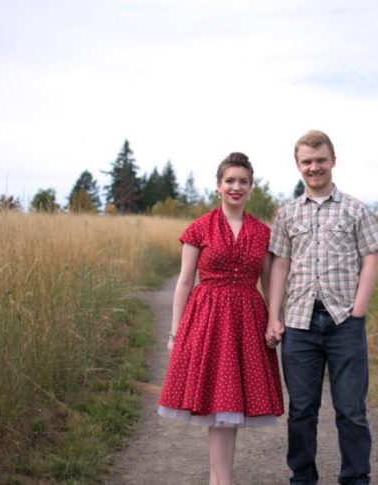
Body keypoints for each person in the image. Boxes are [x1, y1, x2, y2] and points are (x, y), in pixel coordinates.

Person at [265, 130, 378, 484]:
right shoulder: (287, 214)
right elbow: (280, 265)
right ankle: (302, 479)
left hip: (343, 322)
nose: (314, 167)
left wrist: (359, 311)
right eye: (307, 161)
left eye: (320, 160)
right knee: (301, 410)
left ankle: (355, 479)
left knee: (351, 411)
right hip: (300, 325)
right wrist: (275, 316)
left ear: (333, 160)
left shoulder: (355, 209)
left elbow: (370, 259)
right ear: (298, 165)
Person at [158, 152, 284, 485]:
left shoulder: (262, 232)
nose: (236, 187)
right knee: (218, 409)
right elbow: (184, 282)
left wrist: (274, 319)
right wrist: (175, 333)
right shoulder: (199, 228)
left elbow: (271, 282)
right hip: (208, 321)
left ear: (251, 187)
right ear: (218, 186)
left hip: (247, 321)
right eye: (230, 180)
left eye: (243, 181)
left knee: (230, 409)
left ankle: (221, 480)